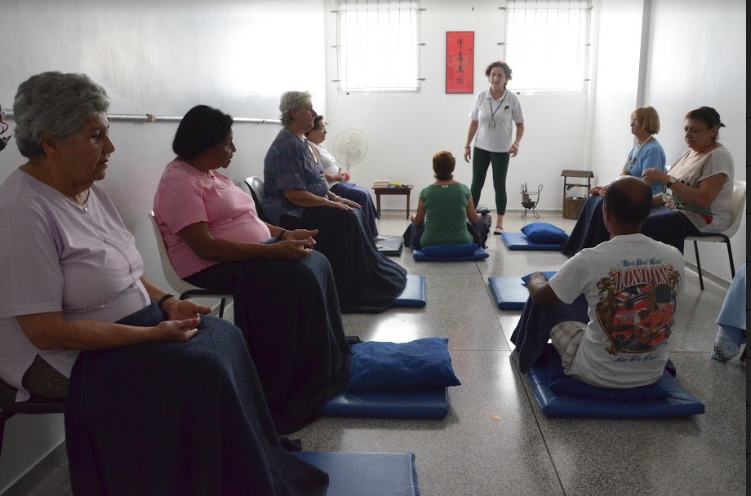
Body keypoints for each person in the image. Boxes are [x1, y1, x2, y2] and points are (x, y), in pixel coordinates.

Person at [0, 72, 328, 495]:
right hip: (59, 357)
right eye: (97, 135)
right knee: (199, 367)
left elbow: (128, 271)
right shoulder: (23, 213)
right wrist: (147, 336)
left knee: (223, 338)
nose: (111, 148)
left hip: (135, 324)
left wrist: (170, 302)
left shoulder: (87, 191)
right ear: (50, 143)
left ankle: (246, 462)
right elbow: (43, 330)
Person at [153, 104, 350, 434]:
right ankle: (292, 376)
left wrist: (285, 235)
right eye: (228, 143)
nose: (234, 149)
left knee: (316, 261)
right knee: (295, 275)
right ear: (204, 143)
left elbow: (249, 220)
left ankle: (322, 357)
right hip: (211, 265)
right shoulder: (179, 182)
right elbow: (206, 247)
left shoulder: (212, 174)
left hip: (250, 253)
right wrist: (269, 254)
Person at [513, 176, 684, 388]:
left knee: (547, 302)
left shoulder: (590, 259)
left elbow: (541, 297)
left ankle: (524, 353)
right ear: (648, 213)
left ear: (605, 212)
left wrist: (535, 278)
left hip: (595, 372)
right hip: (651, 373)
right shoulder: (674, 256)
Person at [263, 91, 407, 313]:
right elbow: (293, 194)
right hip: (291, 213)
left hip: (305, 204)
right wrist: (329, 204)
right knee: (346, 219)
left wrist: (337, 197)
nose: (313, 113)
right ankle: (348, 290)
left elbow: (316, 183)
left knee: (353, 210)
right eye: (309, 108)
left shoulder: (300, 142)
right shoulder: (287, 146)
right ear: (294, 112)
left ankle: (369, 274)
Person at [562, 106, 734, 256]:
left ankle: (645, 277)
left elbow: (703, 200)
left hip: (704, 218)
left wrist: (666, 180)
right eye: (686, 129)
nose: (688, 135)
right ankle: (595, 259)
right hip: (678, 210)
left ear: (713, 131)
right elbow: (670, 195)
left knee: (641, 222)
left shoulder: (718, 156)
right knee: (621, 210)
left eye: (694, 131)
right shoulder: (690, 152)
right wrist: (644, 203)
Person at [463, 61, 525, 235]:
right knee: (476, 184)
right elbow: (474, 122)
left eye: (499, 75)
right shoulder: (482, 97)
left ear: (506, 79)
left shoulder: (512, 99)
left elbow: (520, 125)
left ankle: (499, 223)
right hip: (481, 147)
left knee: (499, 185)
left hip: (502, 149)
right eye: (492, 75)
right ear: (489, 77)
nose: (495, 78)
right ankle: (470, 217)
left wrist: (516, 143)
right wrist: (467, 146)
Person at [306, 114, 380, 236]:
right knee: (361, 195)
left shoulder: (320, 147)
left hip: (339, 182)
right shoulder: (310, 147)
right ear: (311, 131)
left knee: (365, 192)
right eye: (322, 128)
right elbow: (318, 172)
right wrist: (335, 176)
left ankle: (372, 234)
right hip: (332, 187)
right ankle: (367, 236)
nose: (325, 132)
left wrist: (338, 174)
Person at [402, 151, 489, 250]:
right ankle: (480, 245)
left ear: (434, 168)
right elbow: (474, 219)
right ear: (453, 167)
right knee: (480, 224)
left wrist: (413, 217)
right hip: (463, 241)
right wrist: (480, 216)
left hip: (429, 242)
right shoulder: (464, 189)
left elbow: (418, 222)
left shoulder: (425, 192)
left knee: (413, 227)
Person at [589, 106, 667, 197]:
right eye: (631, 121)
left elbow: (645, 186)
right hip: (629, 194)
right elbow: (625, 176)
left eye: (635, 122)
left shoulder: (653, 150)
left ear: (645, 124)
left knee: (604, 203)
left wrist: (614, 192)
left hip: (642, 198)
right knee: (595, 199)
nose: (631, 125)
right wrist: (607, 188)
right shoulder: (638, 147)